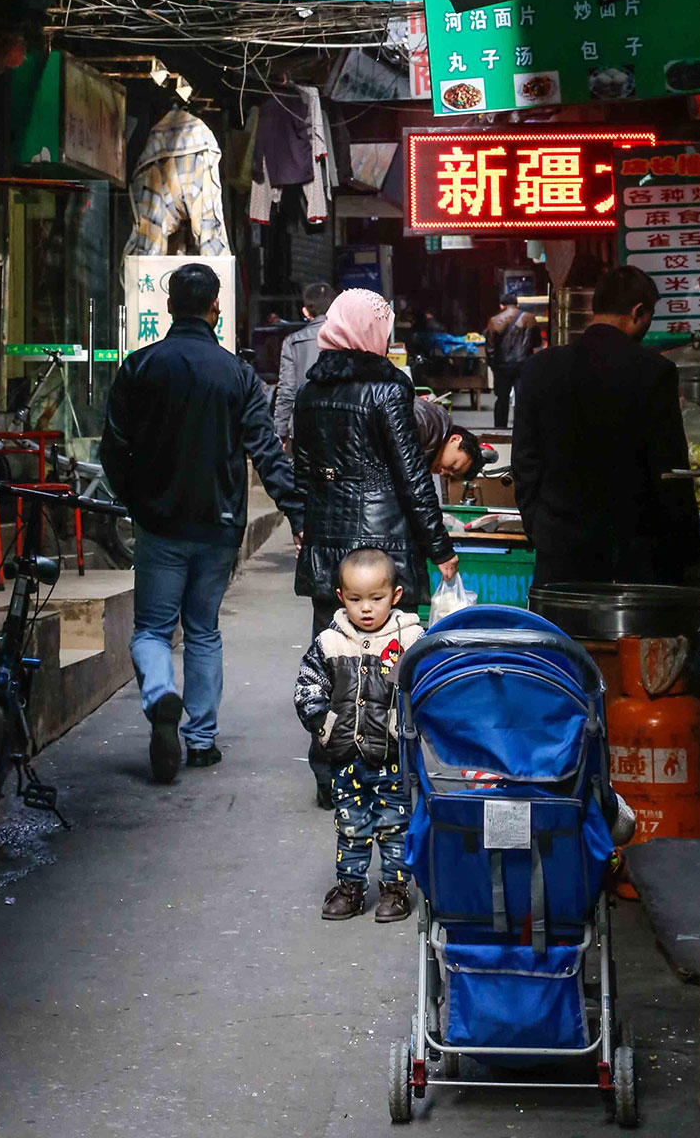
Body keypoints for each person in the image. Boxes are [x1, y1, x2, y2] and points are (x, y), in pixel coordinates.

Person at [100, 261, 303, 781]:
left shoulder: (140, 366)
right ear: (217, 308)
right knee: (203, 630)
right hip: (219, 525)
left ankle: (161, 692)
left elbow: (113, 449)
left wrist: (137, 499)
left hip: (159, 524)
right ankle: (202, 739)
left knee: (151, 629)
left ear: (170, 307)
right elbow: (265, 451)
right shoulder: (237, 374)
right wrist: (297, 515)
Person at [292, 287, 458, 807]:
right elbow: (412, 479)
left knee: (331, 658)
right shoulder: (390, 393)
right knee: (391, 662)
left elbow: (302, 473)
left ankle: (330, 776)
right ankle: (390, 769)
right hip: (383, 549)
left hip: (329, 548)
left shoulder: (310, 392)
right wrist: (440, 546)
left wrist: (306, 527)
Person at [511, 265, 700, 590]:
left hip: (559, 555)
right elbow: (669, 471)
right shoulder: (655, 372)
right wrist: (689, 553)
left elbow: (525, 463)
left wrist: (540, 527)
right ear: (638, 312)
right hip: (636, 558)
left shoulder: (539, 368)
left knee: (564, 640)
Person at [294, 547, 422, 923]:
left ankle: (395, 888)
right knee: (350, 825)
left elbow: (428, 690)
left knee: (394, 825)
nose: (366, 608)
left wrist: (410, 728)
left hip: (394, 759)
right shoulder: (330, 642)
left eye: (376, 599)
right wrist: (323, 725)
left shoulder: (411, 642)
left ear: (395, 596)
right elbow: (308, 686)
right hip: (346, 758)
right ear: (341, 598)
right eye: (355, 599)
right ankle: (350, 886)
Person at [273, 280, 337, 447]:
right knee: (333, 473)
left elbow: (287, 391)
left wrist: (279, 433)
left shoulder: (293, 342)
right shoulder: (348, 338)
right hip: (342, 427)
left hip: (304, 428)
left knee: (307, 472)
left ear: (306, 311)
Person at [486, 288, 541, 427]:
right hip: (524, 364)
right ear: (517, 304)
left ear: (501, 306)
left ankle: (500, 427)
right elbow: (537, 342)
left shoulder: (494, 321)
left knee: (501, 399)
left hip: (502, 366)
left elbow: (490, 348)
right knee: (522, 399)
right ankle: (522, 429)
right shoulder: (530, 318)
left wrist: (493, 365)